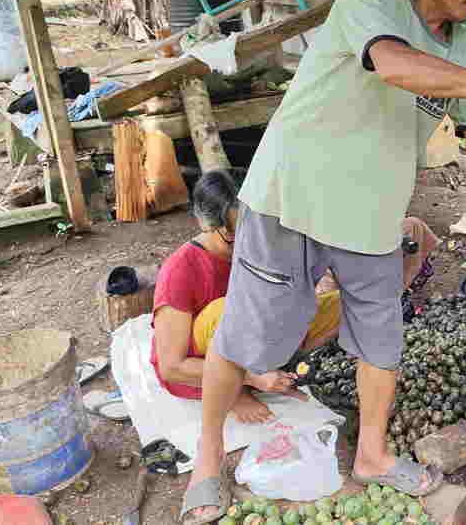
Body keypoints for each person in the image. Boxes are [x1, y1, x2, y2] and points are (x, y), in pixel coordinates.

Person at [180, 0, 466, 525]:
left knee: (380, 341)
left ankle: (370, 454)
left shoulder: (465, 45)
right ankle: (207, 461)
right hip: (295, 197)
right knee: (247, 334)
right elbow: (390, 63)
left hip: (371, 213)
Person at [150, 171, 440, 425]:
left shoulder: (267, 240)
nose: (253, 240)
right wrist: (248, 378)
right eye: (238, 235)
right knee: (230, 308)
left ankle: (269, 365)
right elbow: (172, 367)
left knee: (350, 303)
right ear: (211, 227)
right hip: (205, 362)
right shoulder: (181, 270)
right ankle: (232, 389)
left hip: (259, 341)